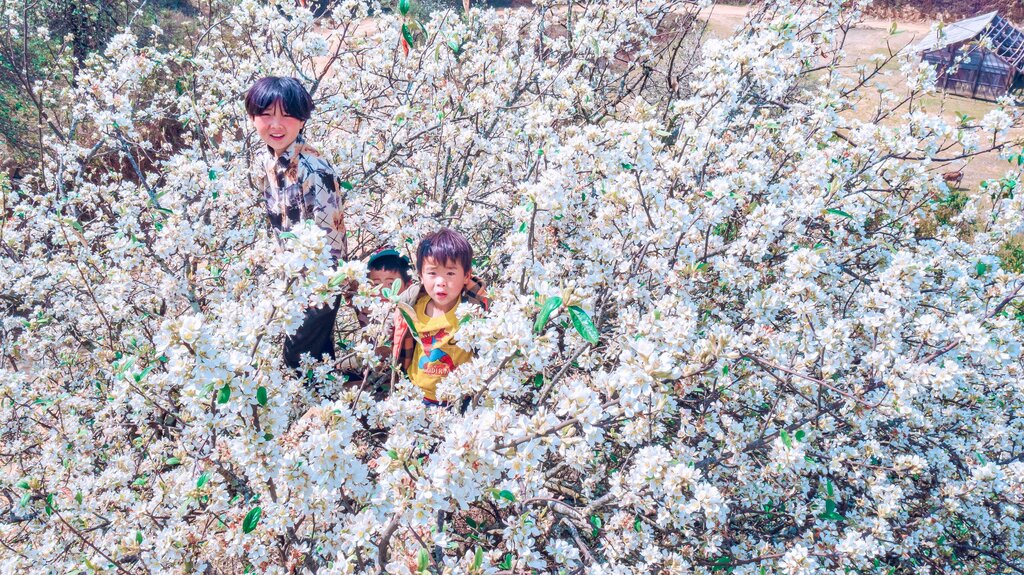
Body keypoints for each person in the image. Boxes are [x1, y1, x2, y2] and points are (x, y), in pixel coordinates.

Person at [246, 76, 347, 371]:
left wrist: (314, 298)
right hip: (291, 280)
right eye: (267, 115)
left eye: (287, 115)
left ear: (302, 120)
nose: (276, 125)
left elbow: (331, 242)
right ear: (253, 118)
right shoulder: (267, 162)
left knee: (299, 361)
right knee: (314, 363)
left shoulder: (313, 169)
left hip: (318, 285)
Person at [391, 228, 488, 407]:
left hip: (459, 398)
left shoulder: (472, 309)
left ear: (466, 276)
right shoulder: (412, 307)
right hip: (417, 394)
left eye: (450, 273)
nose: (441, 282)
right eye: (432, 273)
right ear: (420, 275)